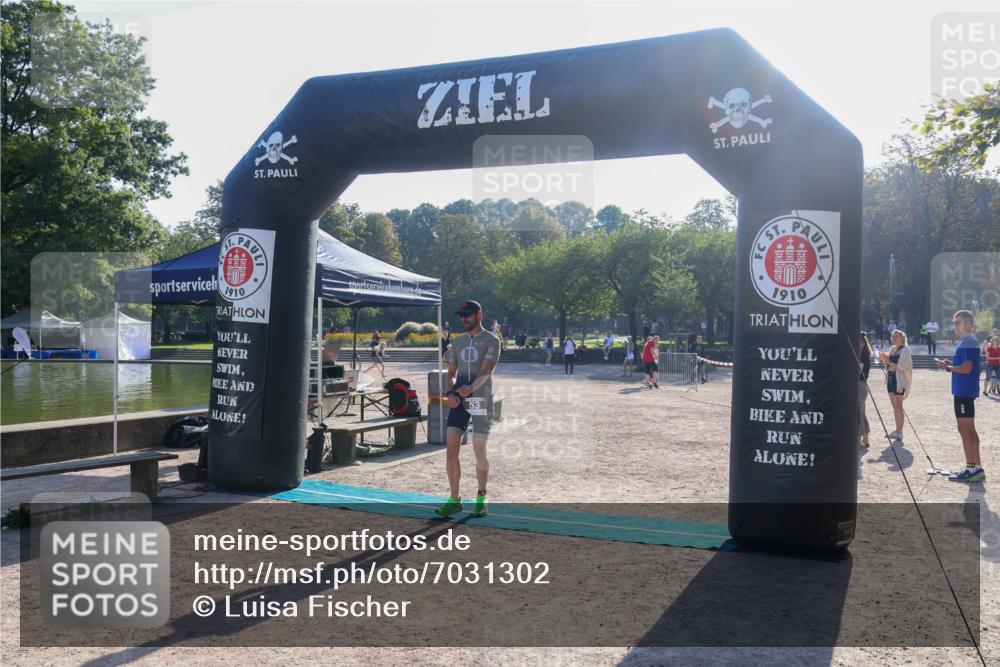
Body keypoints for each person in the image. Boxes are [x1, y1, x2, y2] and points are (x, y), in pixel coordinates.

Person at [436, 300, 501, 518]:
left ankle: (481, 497)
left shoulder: (492, 340)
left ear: (479, 314)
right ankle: (454, 499)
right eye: (461, 315)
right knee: (451, 450)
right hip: (459, 401)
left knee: (478, 449)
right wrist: (450, 392)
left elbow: (487, 370)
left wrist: (470, 388)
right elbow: (451, 372)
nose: (464, 319)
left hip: (479, 399)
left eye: (468, 315)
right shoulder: (458, 341)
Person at [936, 310, 984, 482]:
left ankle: (971, 469)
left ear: (967, 323)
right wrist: (952, 364)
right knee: (969, 430)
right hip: (965, 391)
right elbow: (964, 365)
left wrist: (948, 367)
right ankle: (976, 468)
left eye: (958, 322)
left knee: (965, 430)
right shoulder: (968, 341)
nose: (954, 325)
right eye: (954, 322)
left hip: (964, 391)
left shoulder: (969, 341)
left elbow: (967, 368)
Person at [879, 329, 912, 442]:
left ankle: (899, 432)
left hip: (900, 381)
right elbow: (887, 363)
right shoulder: (892, 349)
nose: (894, 338)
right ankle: (897, 430)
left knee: (898, 406)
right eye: (893, 336)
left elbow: (901, 367)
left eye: (896, 336)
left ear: (902, 338)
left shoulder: (905, 350)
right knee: (894, 406)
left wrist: (887, 361)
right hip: (890, 379)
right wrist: (883, 358)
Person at [858, 332, 872, 449]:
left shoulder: (863, 354)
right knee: (861, 413)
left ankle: (857, 439)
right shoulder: (864, 352)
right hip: (861, 385)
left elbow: (858, 370)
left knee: (858, 413)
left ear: (862, 343)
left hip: (860, 385)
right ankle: (865, 438)